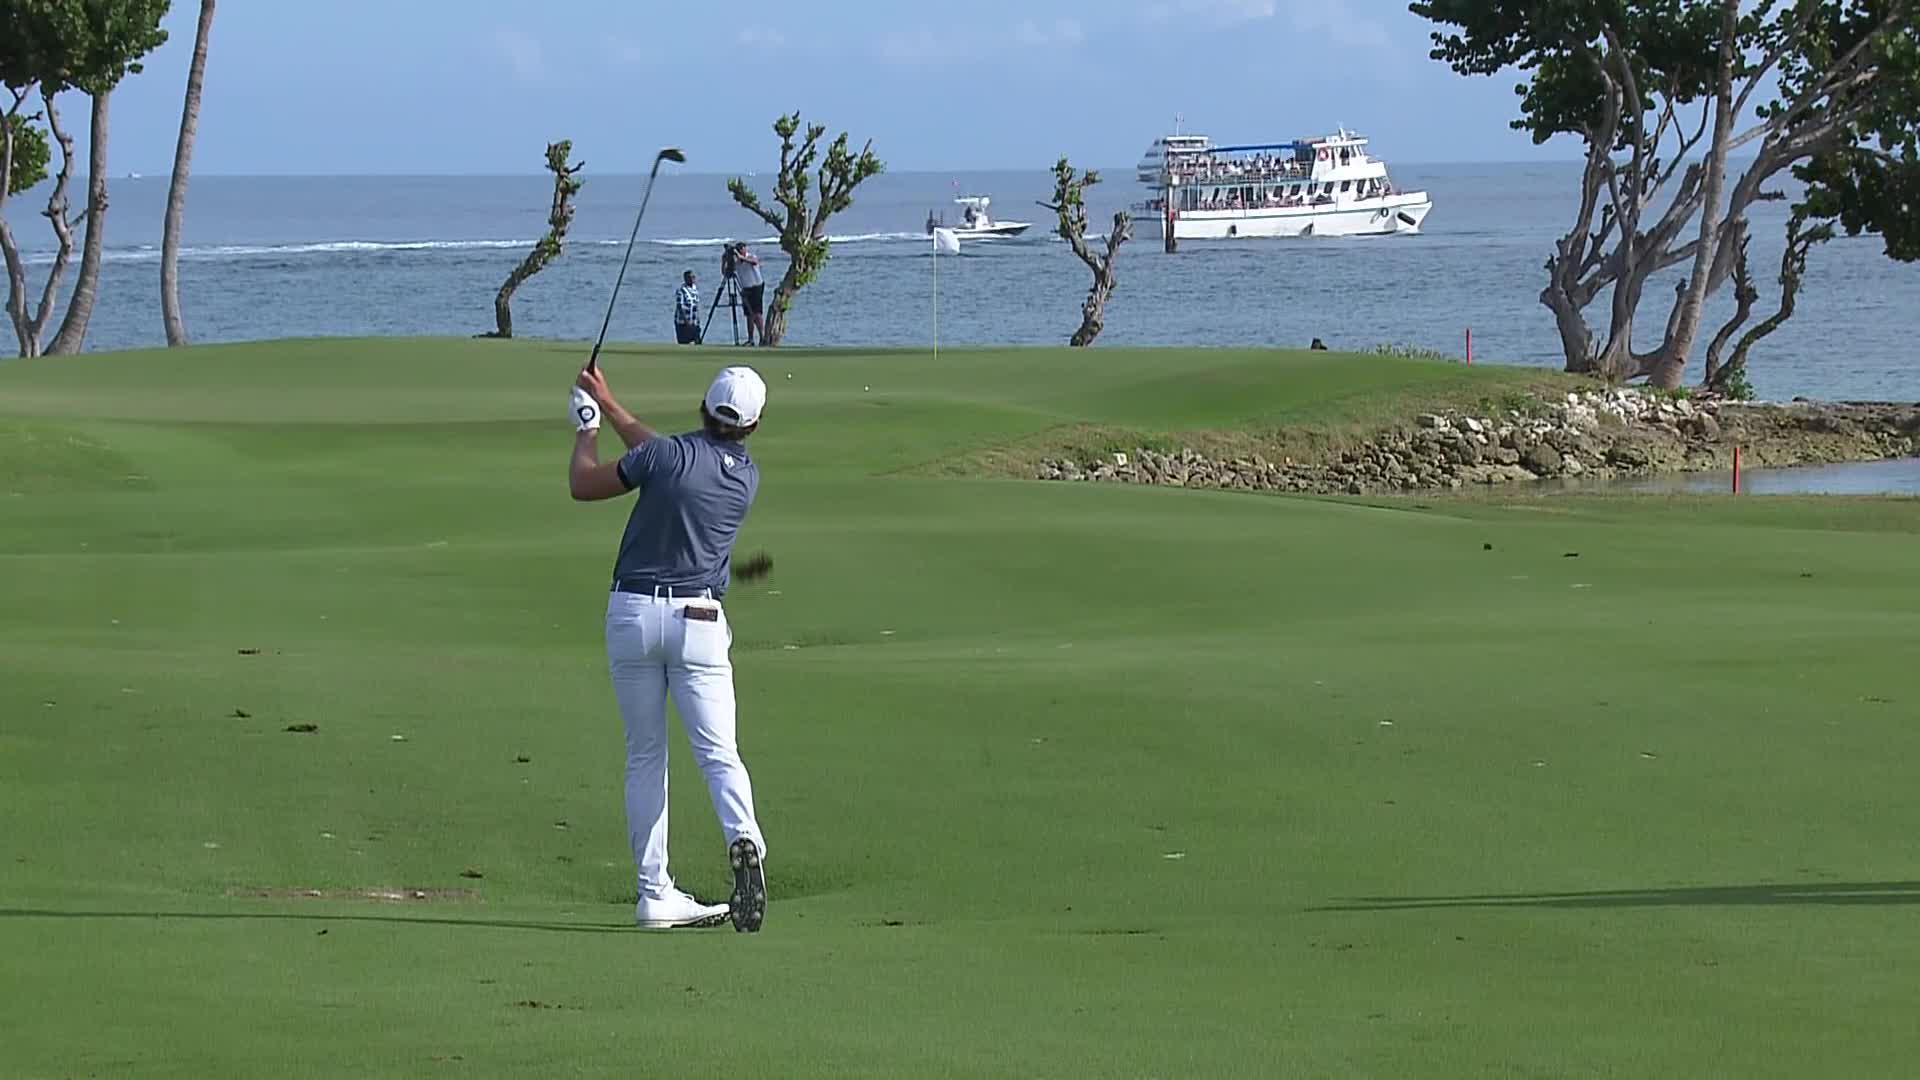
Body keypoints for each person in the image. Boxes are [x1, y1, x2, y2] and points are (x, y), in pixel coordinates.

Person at [565, 362, 772, 932]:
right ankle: (744, 838)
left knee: (645, 756)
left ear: (703, 406)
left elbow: (585, 483)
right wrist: (609, 402)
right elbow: (666, 456)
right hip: (700, 623)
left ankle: (654, 893)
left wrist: (588, 426)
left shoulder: (666, 457)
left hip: (633, 616)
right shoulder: (744, 477)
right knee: (719, 753)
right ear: (752, 426)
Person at [731, 242, 766, 347]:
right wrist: (725, 260)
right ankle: (750, 339)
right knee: (749, 315)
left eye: (742, 249)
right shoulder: (737, 263)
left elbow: (754, 262)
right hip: (745, 288)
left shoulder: (751, 256)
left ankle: (762, 337)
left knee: (757, 313)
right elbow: (726, 272)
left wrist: (741, 257)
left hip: (756, 286)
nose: (740, 251)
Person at [673, 270, 701, 345]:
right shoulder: (681, 290)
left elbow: (696, 306)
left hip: (694, 322)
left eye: (693, 277)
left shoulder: (695, 290)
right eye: (690, 277)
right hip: (683, 323)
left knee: (697, 342)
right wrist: (687, 323)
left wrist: (697, 321)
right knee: (684, 343)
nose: (692, 279)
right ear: (685, 279)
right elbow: (680, 307)